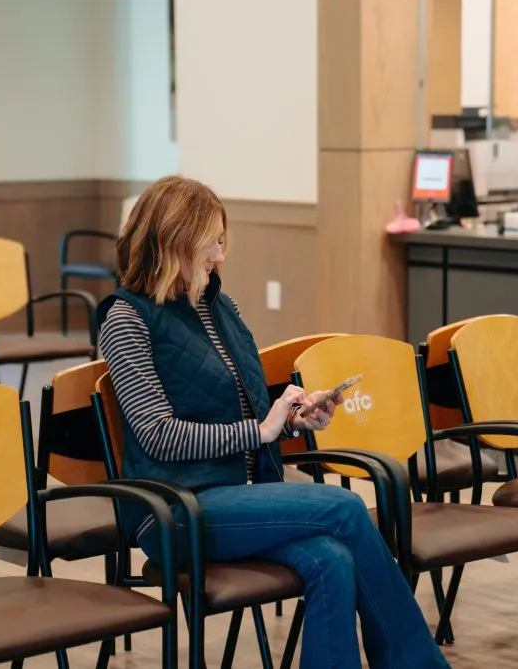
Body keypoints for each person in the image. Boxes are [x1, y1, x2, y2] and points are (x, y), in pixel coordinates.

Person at [97, 175, 451, 669]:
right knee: (346, 508)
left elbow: (248, 413)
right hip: (175, 508)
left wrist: (292, 421)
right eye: (210, 244)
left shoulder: (221, 308)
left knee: (333, 559)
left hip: (239, 497)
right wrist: (261, 431)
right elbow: (157, 434)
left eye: (221, 242)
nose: (220, 257)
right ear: (171, 242)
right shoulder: (127, 318)